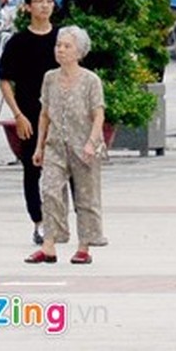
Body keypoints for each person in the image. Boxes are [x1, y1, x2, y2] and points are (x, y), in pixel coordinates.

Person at [26, 26, 106, 265]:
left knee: (86, 196)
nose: (60, 50)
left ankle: (84, 247)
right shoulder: (49, 77)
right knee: (50, 191)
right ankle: (49, 244)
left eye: (66, 46)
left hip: (84, 146)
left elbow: (98, 114)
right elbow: (44, 114)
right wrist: (39, 146)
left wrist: (92, 143)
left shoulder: (91, 80)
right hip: (55, 145)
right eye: (58, 45)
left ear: (79, 51)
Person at [0, 0, 59, 246]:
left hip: (59, 116)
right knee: (32, 170)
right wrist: (18, 115)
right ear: (28, 6)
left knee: (63, 170)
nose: (45, 5)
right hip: (30, 115)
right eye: (39, 1)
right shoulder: (18, 42)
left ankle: (61, 220)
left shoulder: (63, 39)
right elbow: (4, 81)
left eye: (49, 0)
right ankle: (39, 222)